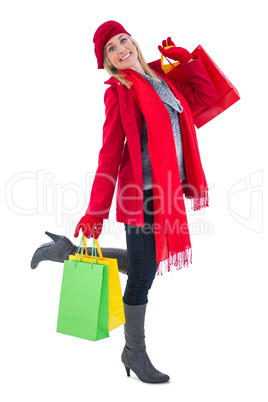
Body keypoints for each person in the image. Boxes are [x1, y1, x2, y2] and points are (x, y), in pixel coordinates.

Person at [31, 20, 218, 383]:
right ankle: (134, 352)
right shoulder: (121, 92)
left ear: (132, 40)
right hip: (141, 195)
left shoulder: (162, 81)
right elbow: (110, 154)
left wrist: (187, 62)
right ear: (109, 63)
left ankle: (66, 252)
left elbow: (206, 99)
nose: (120, 49)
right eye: (111, 50)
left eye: (121, 40)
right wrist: (94, 212)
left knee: (141, 263)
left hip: (165, 192)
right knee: (143, 273)